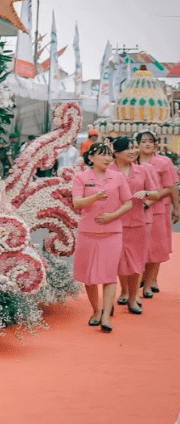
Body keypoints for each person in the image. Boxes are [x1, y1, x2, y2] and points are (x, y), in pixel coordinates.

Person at [72, 142, 132, 333]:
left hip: (112, 231)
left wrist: (112, 216)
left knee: (109, 275)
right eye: (102, 155)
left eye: (109, 156)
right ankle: (96, 311)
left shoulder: (118, 177)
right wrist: (94, 198)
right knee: (89, 276)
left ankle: (106, 316)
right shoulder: (81, 177)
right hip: (88, 232)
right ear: (90, 157)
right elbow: (77, 203)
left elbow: (129, 203)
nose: (107, 159)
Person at [108, 137, 157, 314]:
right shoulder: (108, 171)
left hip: (137, 222)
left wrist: (147, 193)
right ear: (115, 152)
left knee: (137, 263)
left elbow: (156, 194)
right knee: (116, 262)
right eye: (128, 148)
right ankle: (117, 295)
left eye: (134, 148)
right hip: (114, 223)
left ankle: (132, 298)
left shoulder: (142, 171)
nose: (133, 151)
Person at [136, 130, 180, 297]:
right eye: (143, 141)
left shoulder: (164, 162)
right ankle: (143, 279)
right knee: (140, 247)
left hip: (158, 210)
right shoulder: (133, 162)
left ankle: (150, 281)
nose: (147, 144)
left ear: (155, 145)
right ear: (137, 145)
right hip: (136, 210)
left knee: (156, 246)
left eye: (150, 141)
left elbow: (172, 186)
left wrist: (176, 208)